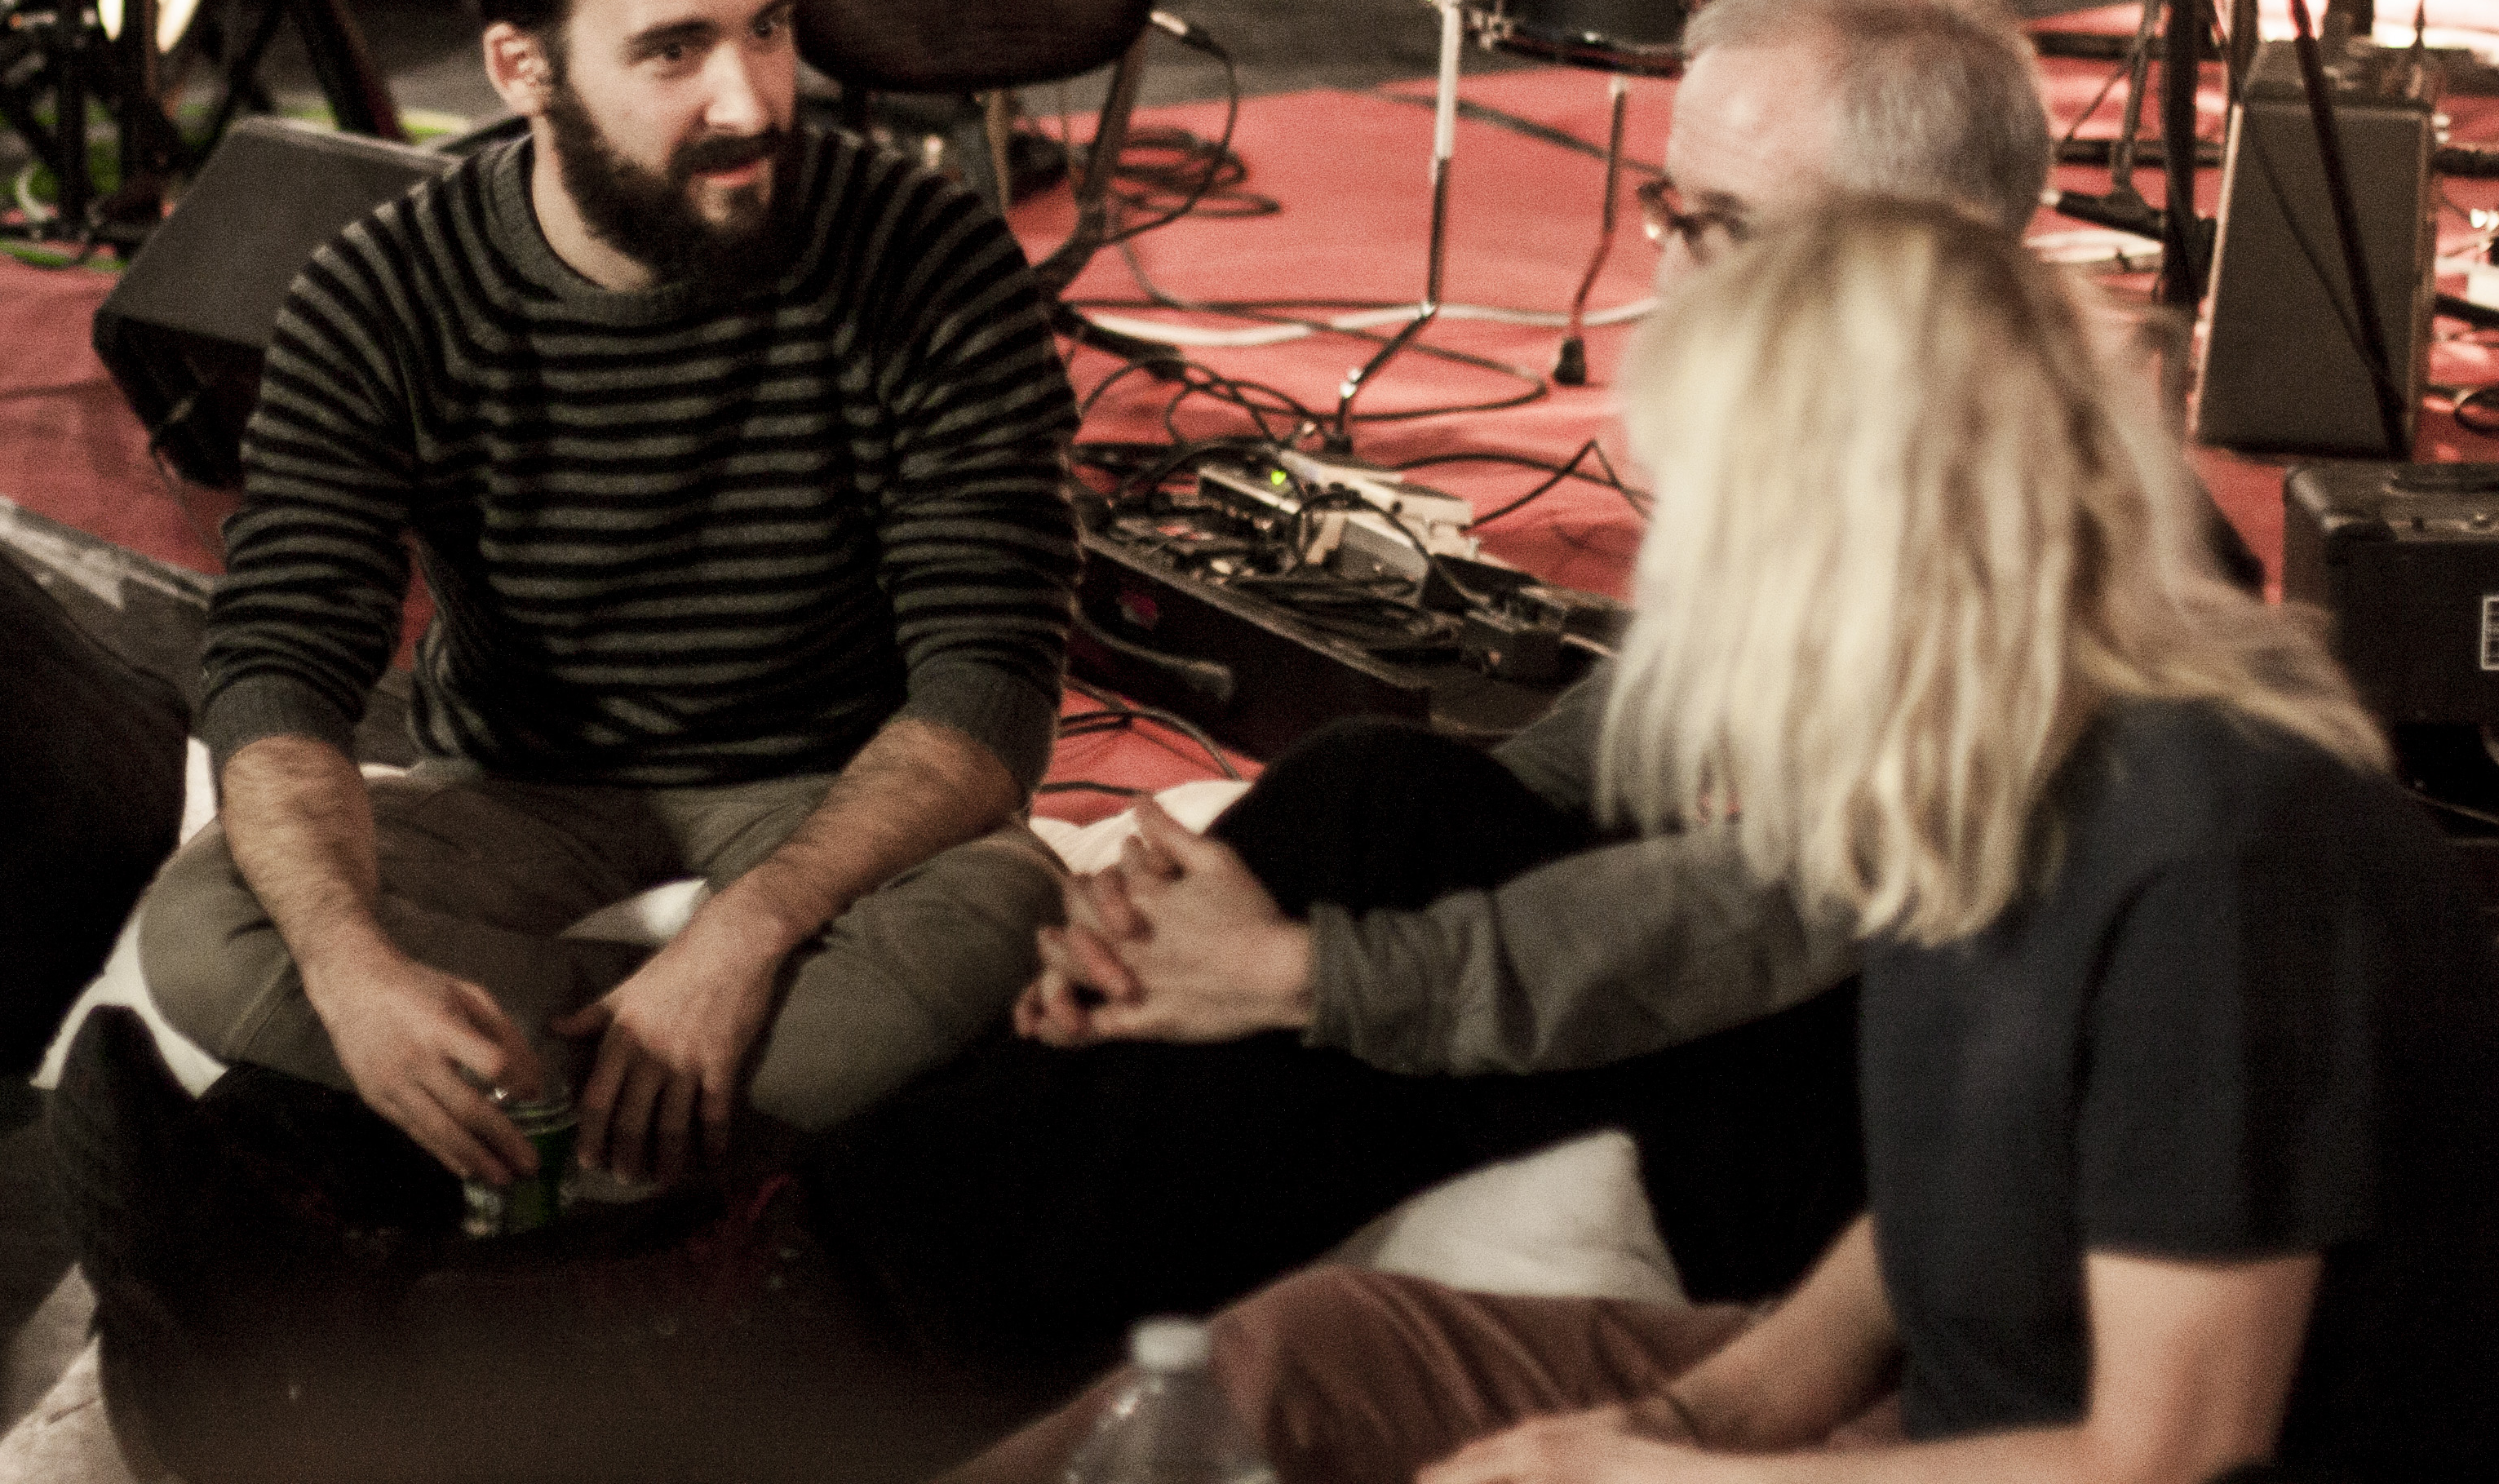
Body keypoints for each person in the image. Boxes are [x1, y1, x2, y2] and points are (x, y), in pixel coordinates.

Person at [941, 198, 2499, 1484]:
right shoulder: (1982, 753)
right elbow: (1947, 1211)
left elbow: (2162, 1455)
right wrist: (1695, 1416)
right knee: (1311, 1356)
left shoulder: (2221, 856)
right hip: (1936, 1423)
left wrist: (1657, 1474)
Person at [805, 0, 2059, 1381]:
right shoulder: (1832, 428)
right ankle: (920, 1250)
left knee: (1366, 859)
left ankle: (872, 1286)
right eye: (1668, 211)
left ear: (1929, 246)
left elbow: (1767, 911)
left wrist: (1318, 967)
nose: (1668, 276)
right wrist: (1203, 939)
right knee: (1372, 812)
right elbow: (1613, 745)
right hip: (1744, 1001)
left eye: (1722, 228)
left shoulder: (2025, 520)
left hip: (1862, 1139)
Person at [48, 0, 1080, 1472]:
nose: (751, 96)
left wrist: (741, 940)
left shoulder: (924, 252)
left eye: (770, 27)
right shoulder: (382, 286)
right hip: (519, 785)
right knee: (220, 918)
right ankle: (635, 1200)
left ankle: (424, 1212)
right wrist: (354, 970)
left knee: (1013, 905)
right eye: (674, 50)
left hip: (828, 794)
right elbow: (281, 668)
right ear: (521, 67)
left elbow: (986, 693)